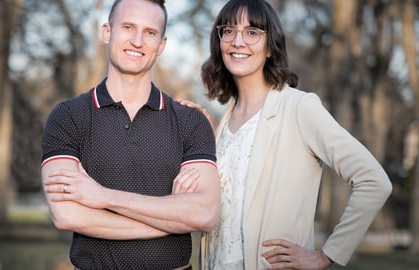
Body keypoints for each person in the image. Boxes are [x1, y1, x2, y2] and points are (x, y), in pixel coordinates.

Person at [181, 0, 392, 269]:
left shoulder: (299, 107)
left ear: (270, 47)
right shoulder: (225, 122)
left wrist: (326, 255)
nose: (238, 41)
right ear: (219, 40)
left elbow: (374, 180)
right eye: (229, 30)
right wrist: (197, 134)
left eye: (252, 32)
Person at [40, 0, 220, 269]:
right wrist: (174, 218)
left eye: (150, 32)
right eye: (127, 27)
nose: (137, 41)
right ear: (106, 32)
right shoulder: (69, 116)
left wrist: (102, 196)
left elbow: (205, 214)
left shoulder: (190, 121)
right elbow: (67, 215)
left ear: (161, 44)